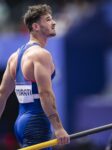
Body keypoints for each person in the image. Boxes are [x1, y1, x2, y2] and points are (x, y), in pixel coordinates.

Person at [0, 4, 70, 149]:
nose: (54, 22)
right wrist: (58, 128)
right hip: (36, 123)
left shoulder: (14, 57)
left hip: (20, 123)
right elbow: (45, 93)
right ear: (36, 26)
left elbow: (2, 93)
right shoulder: (41, 55)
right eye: (48, 19)